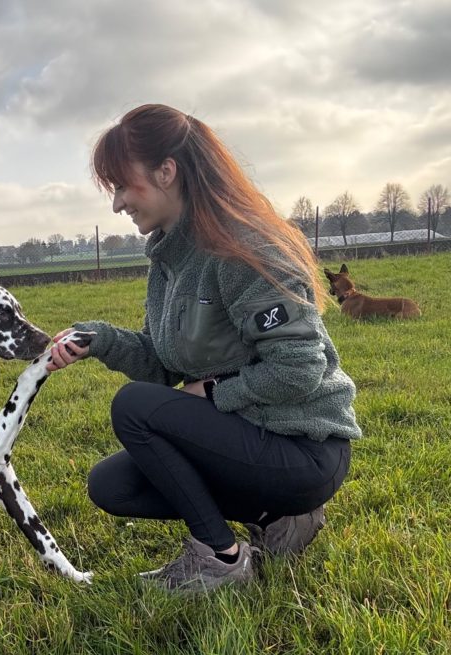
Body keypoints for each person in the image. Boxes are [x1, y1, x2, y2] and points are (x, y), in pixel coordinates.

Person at [47, 104, 361, 593]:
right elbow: (162, 364)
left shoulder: (244, 247)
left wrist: (211, 393)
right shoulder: (171, 256)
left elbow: (299, 369)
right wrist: (99, 340)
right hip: (248, 438)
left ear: (165, 171)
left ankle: (222, 560)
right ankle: (278, 519)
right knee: (112, 485)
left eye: (122, 186)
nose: (117, 204)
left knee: (133, 407)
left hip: (304, 447)